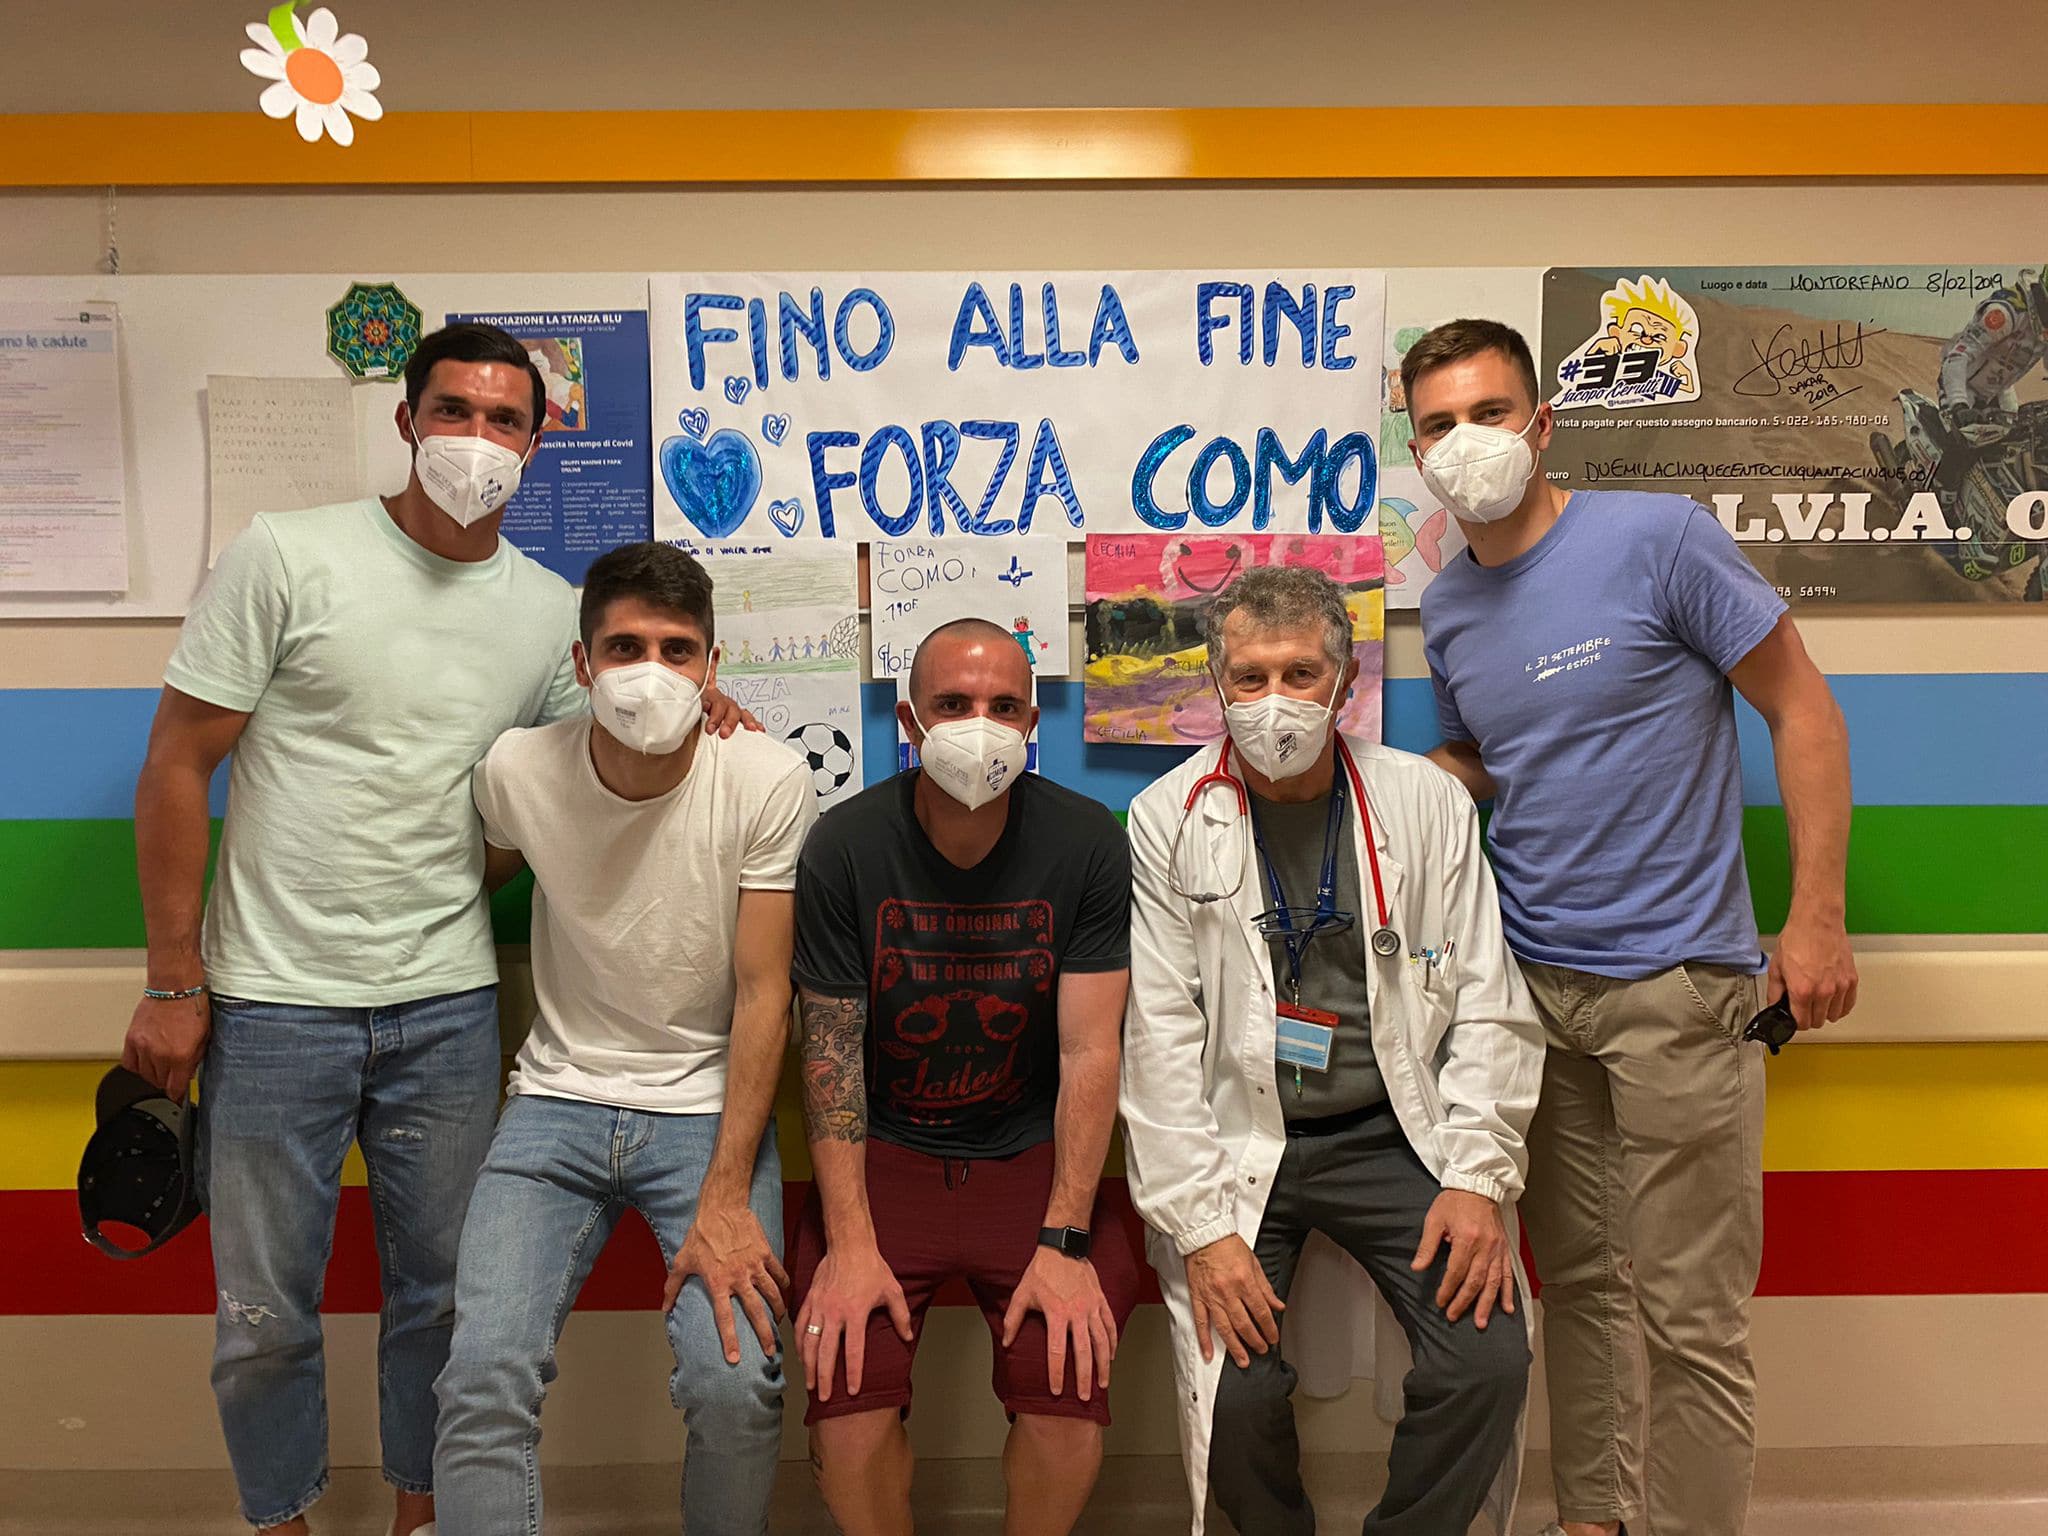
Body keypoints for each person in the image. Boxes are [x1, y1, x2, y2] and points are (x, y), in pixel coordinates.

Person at [120, 323, 749, 1536]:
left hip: (446, 1006)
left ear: (539, 436)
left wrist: (698, 699)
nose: (476, 440)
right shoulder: (286, 556)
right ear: (406, 421)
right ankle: (282, 1522)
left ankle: (425, 1516)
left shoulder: (547, 614)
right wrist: (174, 981)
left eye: (503, 419)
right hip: (270, 1001)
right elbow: (175, 763)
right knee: (262, 1316)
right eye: (453, 411)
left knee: (444, 1305)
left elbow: (584, 777)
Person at [1405, 318, 1857, 1536]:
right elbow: (1495, 761)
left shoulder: (1656, 539)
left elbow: (1802, 711)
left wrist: (1813, 921)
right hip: (1535, 992)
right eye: (1438, 425)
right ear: (1415, 452)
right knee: (1583, 1292)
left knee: (1690, 1316)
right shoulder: (1447, 608)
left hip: (1679, 986)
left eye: (1489, 413)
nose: (1467, 442)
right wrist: (1407, 787)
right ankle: (1590, 1521)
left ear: (1539, 423)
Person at [1121, 566, 1544, 1536]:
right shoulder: (1167, 819)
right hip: (1241, 1142)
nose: (1275, 703)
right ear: (1215, 685)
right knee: (1235, 1396)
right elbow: (1159, 1036)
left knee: (1486, 1359)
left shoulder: (1421, 804)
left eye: (1300, 674)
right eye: (1250, 678)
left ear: (1345, 679)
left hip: (1390, 1133)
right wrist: (1200, 1229)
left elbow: (1486, 998)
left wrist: (1477, 1178)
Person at [433, 543, 813, 1536]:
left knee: (738, 1386)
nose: (651, 671)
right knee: (480, 1376)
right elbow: (484, 871)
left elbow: (767, 991)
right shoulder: (519, 770)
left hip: (703, 1115)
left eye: (677, 650)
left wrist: (727, 1197)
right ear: (582, 663)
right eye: (626, 646)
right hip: (554, 1101)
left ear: (711, 668)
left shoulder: (765, 780)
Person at [787, 617, 1140, 1536]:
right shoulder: (843, 845)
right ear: (910, 720)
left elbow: (1089, 1051)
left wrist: (1064, 1243)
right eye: (952, 704)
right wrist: (850, 1242)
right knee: (847, 1402)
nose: (978, 726)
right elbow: (827, 1058)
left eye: (1002, 706)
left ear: (1033, 724)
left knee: (1065, 1392)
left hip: (1030, 1160)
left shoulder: (1087, 842)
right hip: (885, 1162)